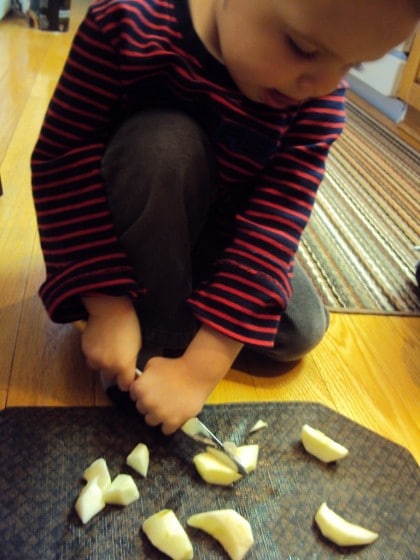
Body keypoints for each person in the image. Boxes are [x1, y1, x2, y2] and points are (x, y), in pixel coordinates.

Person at [31, 0, 419, 434]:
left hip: (221, 233)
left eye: (353, 66)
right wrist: (106, 306)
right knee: (163, 146)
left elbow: (276, 221)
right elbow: (62, 164)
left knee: (301, 329)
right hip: (130, 222)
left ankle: (185, 304)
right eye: (303, 49)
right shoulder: (125, 26)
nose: (323, 83)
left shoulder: (320, 99)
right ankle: (151, 329)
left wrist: (199, 370)